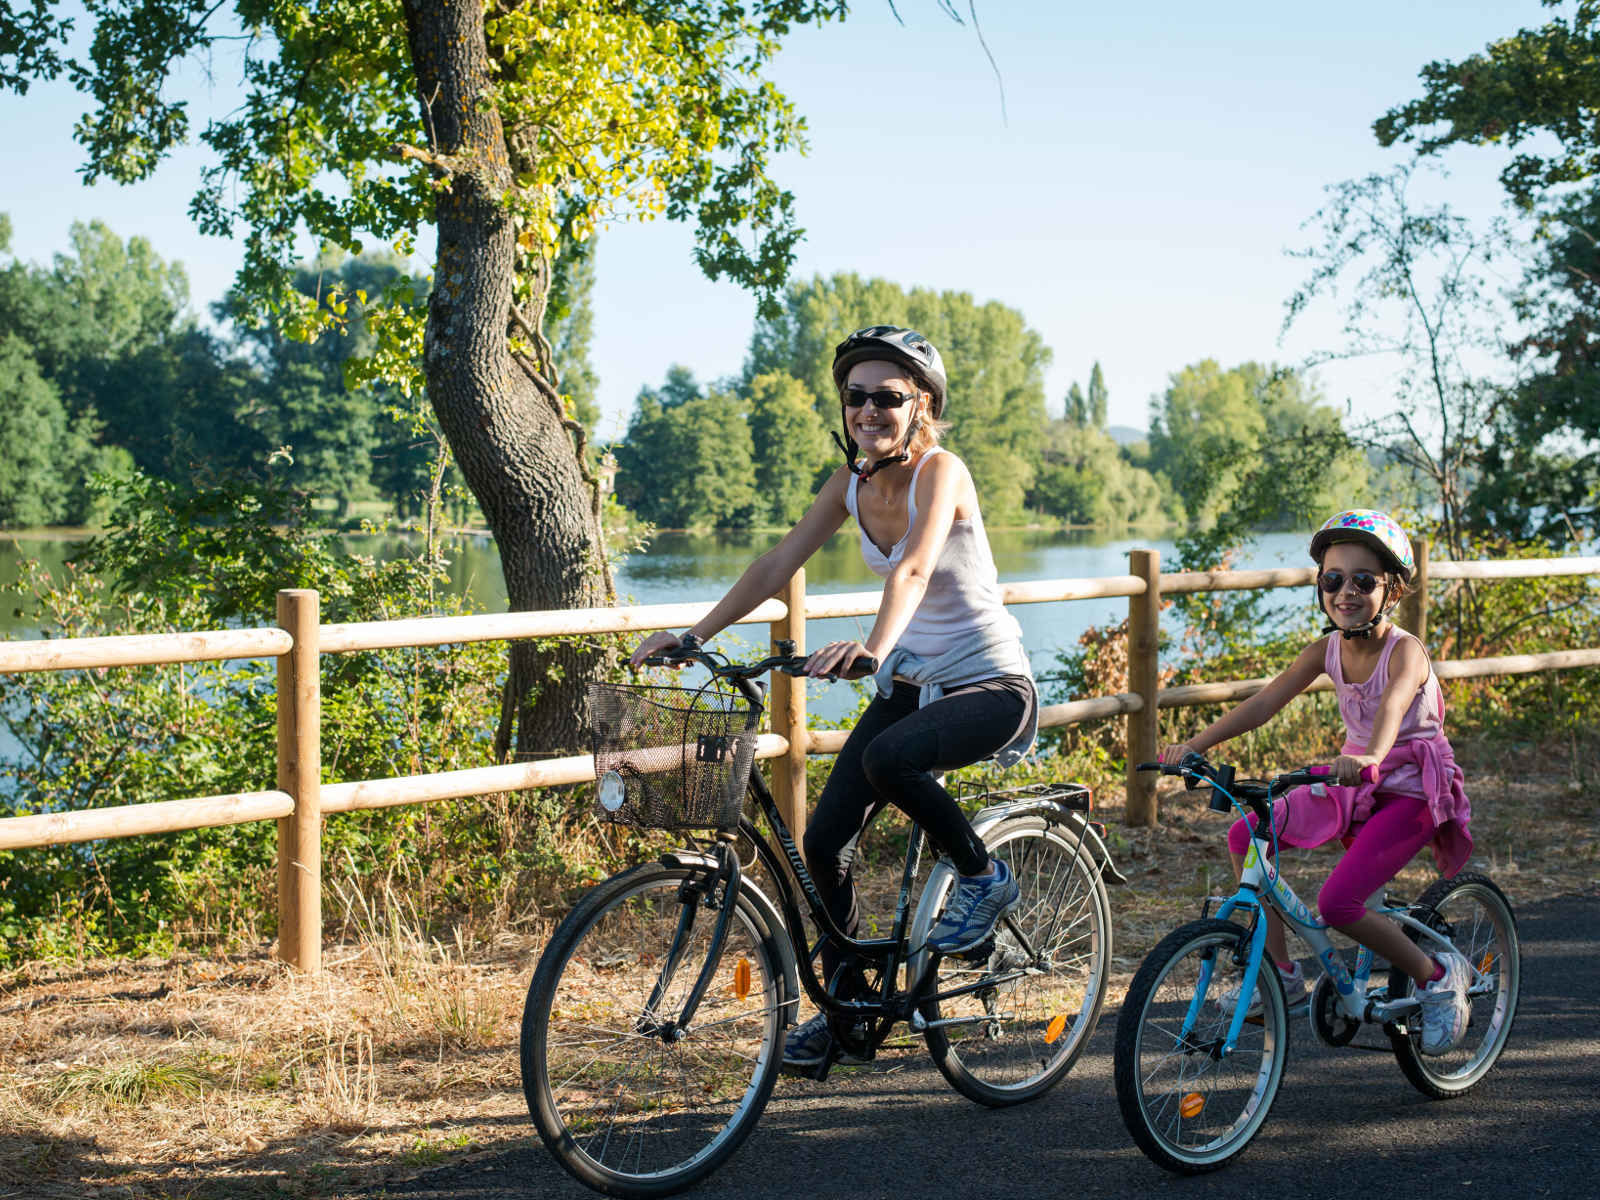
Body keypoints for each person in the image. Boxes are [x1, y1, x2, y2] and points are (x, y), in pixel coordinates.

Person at [629, 325, 1037, 1068]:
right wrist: (694, 636)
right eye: (857, 397)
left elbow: (912, 569)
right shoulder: (849, 484)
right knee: (821, 843)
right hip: (914, 685)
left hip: (989, 682)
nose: (869, 410)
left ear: (921, 408)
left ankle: (984, 876)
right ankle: (849, 1009)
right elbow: (776, 562)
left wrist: (874, 647)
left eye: (889, 397)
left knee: (888, 759)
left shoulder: (941, 471)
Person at [1159, 509, 1474, 1055]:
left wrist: (1372, 753)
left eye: (1362, 581)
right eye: (1332, 579)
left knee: (1338, 904)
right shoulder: (1326, 650)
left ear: (1392, 589)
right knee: (1245, 836)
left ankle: (1436, 975)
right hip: (1353, 784)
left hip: (1411, 789)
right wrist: (1194, 747)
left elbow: (1394, 707)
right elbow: (1263, 704)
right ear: (1319, 585)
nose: (1344, 592)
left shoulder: (1407, 651)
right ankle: (1280, 973)